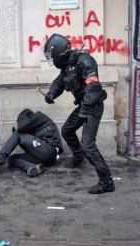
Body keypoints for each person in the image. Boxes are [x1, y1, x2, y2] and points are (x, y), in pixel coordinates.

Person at [43, 33, 115, 194]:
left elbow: (93, 88)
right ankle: (78, 158)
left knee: (88, 145)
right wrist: (51, 94)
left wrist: (84, 111)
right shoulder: (67, 66)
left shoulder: (85, 61)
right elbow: (59, 83)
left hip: (93, 106)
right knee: (67, 130)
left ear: (58, 52)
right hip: (83, 106)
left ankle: (107, 181)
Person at [0, 109, 63, 177]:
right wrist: (19, 141)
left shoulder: (39, 116)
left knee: (18, 133)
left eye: (20, 120)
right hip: (44, 158)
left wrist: (18, 131)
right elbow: (30, 147)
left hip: (50, 150)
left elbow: (21, 128)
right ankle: (30, 167)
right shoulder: (35, 127)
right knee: (11, 159)